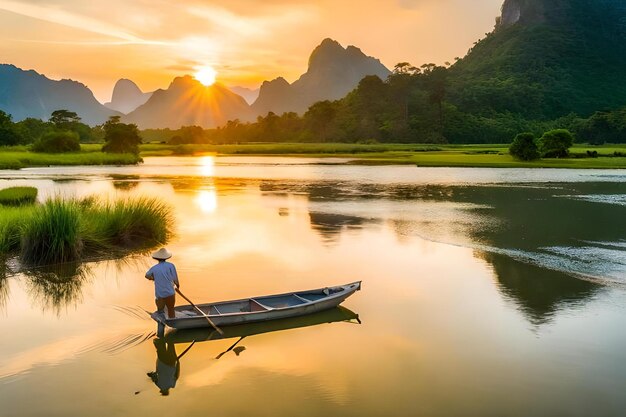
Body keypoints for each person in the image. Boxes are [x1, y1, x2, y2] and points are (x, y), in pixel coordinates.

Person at [145, 248, 180, 319]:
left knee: (160, 312)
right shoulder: (170, 265)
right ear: (166, 258)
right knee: (171, 309)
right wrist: (177, 285)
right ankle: (172, 321)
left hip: (159, 293)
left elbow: (147, 275)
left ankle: (161, 323)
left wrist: (153, 278)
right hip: (169, 292)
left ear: (157, 258)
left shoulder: (154, 268)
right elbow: (175, 278)